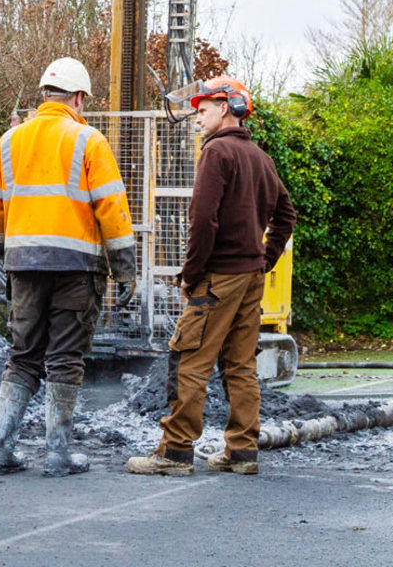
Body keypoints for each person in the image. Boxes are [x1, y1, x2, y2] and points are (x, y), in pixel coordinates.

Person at [126, 75, 296, 476]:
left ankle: (175, 451)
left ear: (226, 107)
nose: (196, 119)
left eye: (202, 111)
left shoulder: (217, 154)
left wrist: (191, 274)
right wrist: (262, 260)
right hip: (250, 280)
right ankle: (242, 451)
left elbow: (202, 220)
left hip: (217, 279)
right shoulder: (262, 159)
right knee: (240, 367)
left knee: (189, 359)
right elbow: (287, 216)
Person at [0, 57, 137, 477]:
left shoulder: (9, 141)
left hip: (24, 264)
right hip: (75, 266)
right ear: (79, 99)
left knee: (23, 355)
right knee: (65, 356)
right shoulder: (88, 140)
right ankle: (57, 453)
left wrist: (1, 248)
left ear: (44, 95)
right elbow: (112, 208)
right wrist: (124, 268)